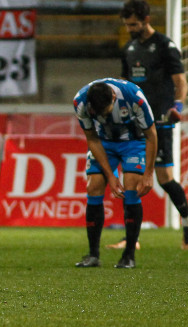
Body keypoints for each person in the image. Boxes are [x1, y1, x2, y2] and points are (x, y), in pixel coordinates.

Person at [110, 0, 188, 251]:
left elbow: (181, 82)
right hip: (134, 121)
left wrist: (177, 107)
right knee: (131, 178)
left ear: (146, 20)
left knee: (164, 178)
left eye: (134, 24)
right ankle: (131, 238)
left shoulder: (165, 46)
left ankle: (187, 220)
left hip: (160, 120)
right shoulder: (129, 49)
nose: (130, 29)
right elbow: (123, 83)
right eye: (127, 25)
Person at [73, 78, 157, 269]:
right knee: (93, 186)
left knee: (132, 189)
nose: (103, 116)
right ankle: (93, 254)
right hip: (103, 142)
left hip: (133, 143)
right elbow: (91, 138)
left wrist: (149, 173)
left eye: (106, 111)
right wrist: (110, 175)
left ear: (113, 97)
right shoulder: (80, 102)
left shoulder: (134, 97)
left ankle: (128, 255)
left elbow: (151, 134)